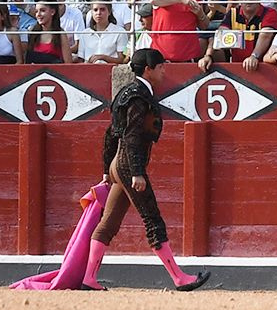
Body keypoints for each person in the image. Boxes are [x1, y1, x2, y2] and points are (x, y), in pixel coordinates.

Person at [82, 46, 208, 291]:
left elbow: (111, 133)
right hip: (129, 165)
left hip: (118, 163)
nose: (164, 71)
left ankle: (89, 277)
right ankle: (179, 278)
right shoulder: (140, 96)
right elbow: (132, 135)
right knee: (152, 219)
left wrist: (107, 170)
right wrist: (137, 171)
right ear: (148, 70)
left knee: (108, 222)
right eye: (160, 67)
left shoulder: (126, 93)